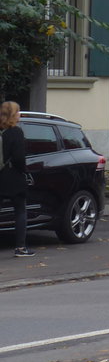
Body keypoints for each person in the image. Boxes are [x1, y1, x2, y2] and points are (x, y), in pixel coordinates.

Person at [0, 101, 35, 257]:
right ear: (14, 114)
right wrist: (24, 171)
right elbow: (19, 158)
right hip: (13, 177)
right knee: (20, 211)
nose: (20, 114)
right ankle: (20, 248)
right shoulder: (16, 132)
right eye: (18, 112)